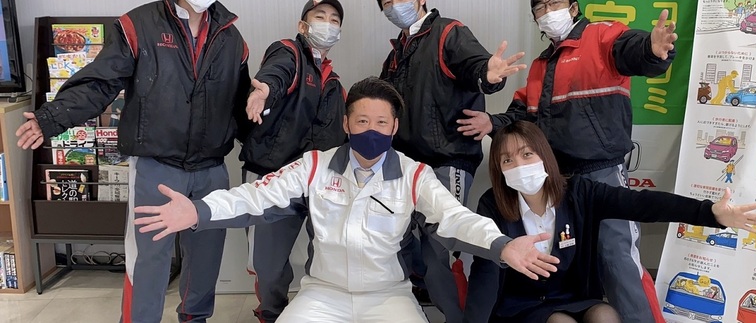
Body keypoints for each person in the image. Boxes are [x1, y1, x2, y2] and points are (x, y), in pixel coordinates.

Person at [133, 77, 559, 323]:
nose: (371, 130)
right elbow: (256, 196)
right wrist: (198, 210)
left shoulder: (414, 174)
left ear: (394, 128)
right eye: (362, 120)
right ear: (346, 123)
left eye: (381, 122)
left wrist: (502, 245)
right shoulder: (314, 165)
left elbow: (455, 217)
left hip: (389, 297)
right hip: (323, 295)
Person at [16, 0, 251, 323]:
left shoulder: (231, 38)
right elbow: (100, 83)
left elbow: (241, 104)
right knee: (148, 262)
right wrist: (51, 118)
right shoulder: (137, 25)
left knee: (206, 260)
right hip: (157, 168)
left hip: (211, 169)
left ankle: (195, 319)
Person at [457, 0, 678, 323]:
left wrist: (651, 50)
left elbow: (632, 50)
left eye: (555, 2)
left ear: (573, 7)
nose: (548, 11)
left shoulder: (602, 36)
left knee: (616, 256)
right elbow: (522, 116)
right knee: (569, 259)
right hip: (559, 182)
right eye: (540, 7)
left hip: (601, 172)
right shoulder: (540, 67)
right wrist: (491, 122)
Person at [464, 120, 756, 323]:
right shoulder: (492, 205)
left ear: (544, 156)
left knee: (605, 315)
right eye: (507, 160)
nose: (519, 165)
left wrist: (709, 213)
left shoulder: (579, 193)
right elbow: (484, 271)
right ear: (499, 169)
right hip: (522, 305)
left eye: (527, 154)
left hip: (573, 298)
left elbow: (641, 204)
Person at [373, 0, 526, 322]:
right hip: (405, 166)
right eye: (387, 2)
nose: (395, 6)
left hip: (447, 160)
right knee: (400, 242)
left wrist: (489, 76)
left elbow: (477, 68)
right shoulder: (395, 55)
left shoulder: (448, 32)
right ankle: (429, 301)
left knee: (440, 247)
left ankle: (459, 317)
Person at [240, 0, 347, 322]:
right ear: (303, 25)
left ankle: (316, 312)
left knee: (327, 256)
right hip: (273, 176)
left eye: (334, 20)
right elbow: (276, 74)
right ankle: (271, 313)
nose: (327, 24)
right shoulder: (289, 52)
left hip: (319, 184)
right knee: (268, 264)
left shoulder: (335, 85)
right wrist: (264, 91)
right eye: (320, 17)